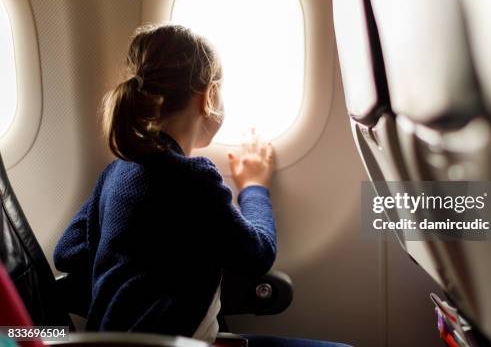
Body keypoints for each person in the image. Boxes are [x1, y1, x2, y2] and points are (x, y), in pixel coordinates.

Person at [53, 24, 351, 347]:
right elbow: (258, 254)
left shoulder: (115, 172)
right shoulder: (195, 178)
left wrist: (129, 258)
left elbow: (66, 252)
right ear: (208, 96)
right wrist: (253, 187)